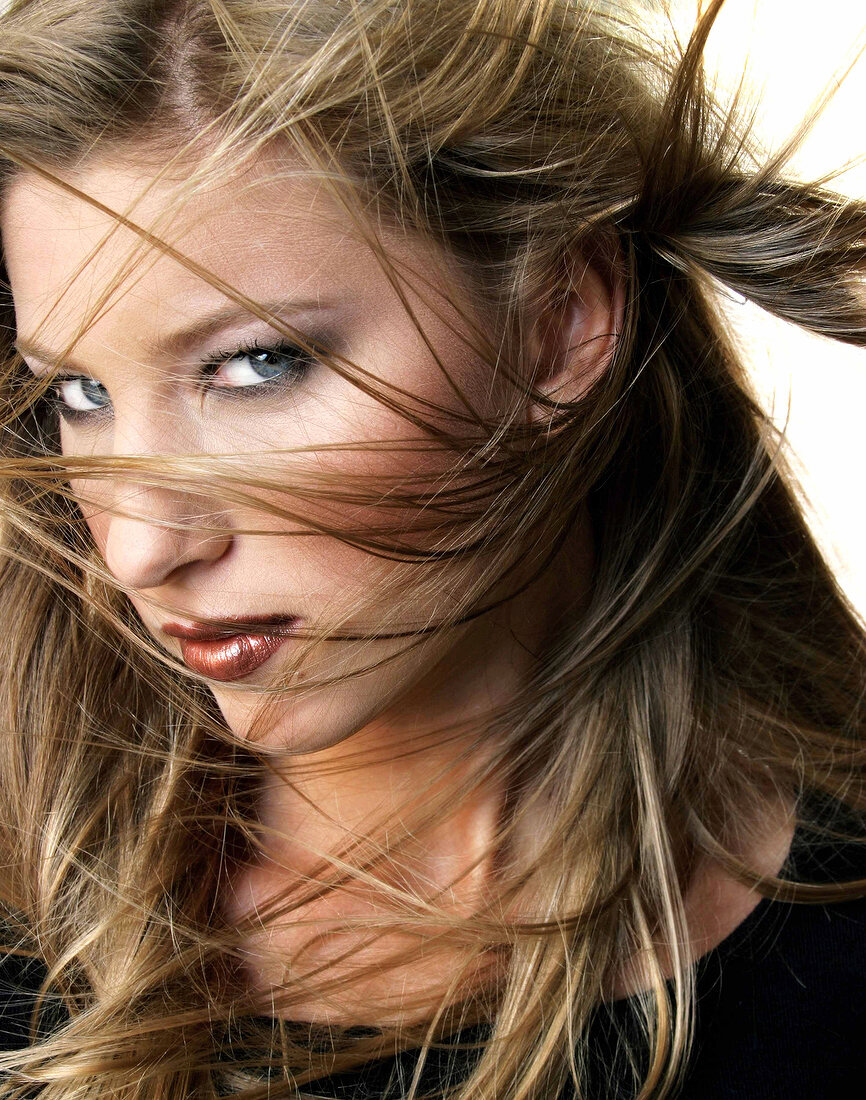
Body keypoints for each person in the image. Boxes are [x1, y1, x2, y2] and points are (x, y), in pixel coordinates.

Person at [0, 0, 864, 1096]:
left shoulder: (833, 967)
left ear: (557, 322)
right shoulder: (26, 942)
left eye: (256, 364)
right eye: (78, 391)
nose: (137, 547)